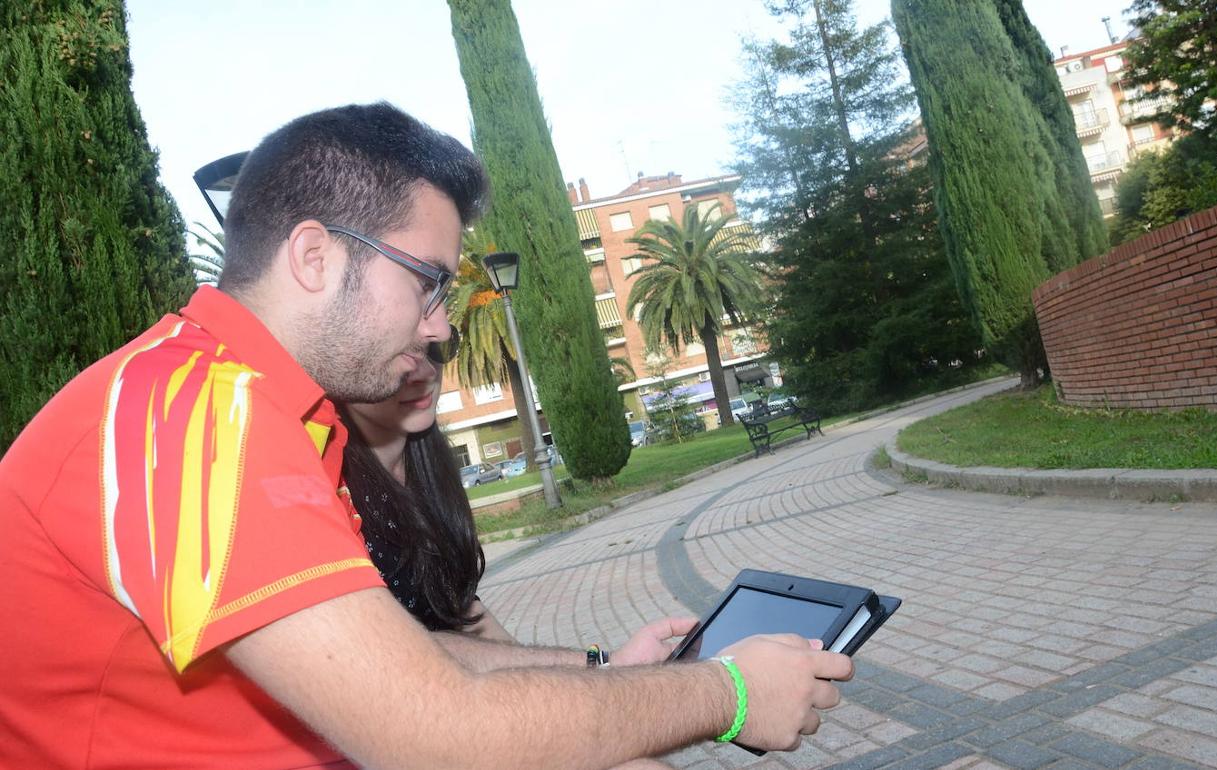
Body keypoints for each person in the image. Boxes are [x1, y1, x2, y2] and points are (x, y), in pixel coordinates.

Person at [0, 102, 853, 769]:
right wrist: (729, 694)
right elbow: (437, 734)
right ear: (314, 257)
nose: (441, 324)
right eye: (428, 281)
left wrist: (612, 675)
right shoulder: (191, 416)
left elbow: (405, 669)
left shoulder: (253, 408)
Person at [343, 331, 694, 662]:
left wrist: (604, 667)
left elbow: (465, 611)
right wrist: (601, 669)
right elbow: (406, 656)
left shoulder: (429, 466)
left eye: (437, 347)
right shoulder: (333, 495)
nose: (425, 371)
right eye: (400, 350)